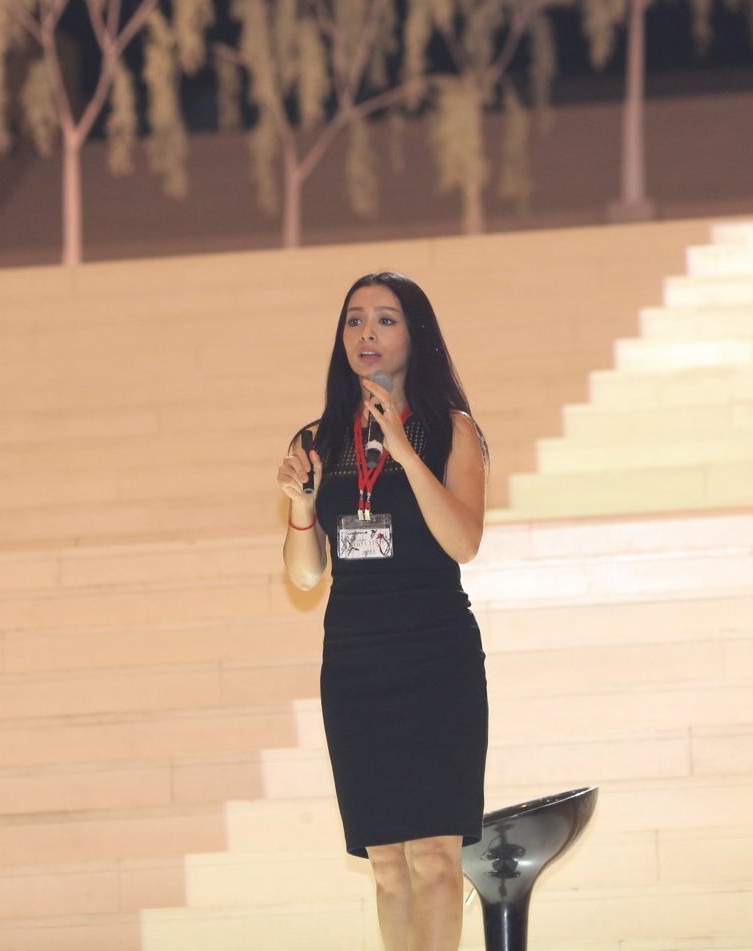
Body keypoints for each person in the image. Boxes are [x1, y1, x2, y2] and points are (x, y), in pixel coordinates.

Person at [276, 271, 489, 951]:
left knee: (435, 858)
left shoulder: (451, 430)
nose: (366, 333)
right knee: (389, 865)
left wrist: (402, 449)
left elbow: (463, 541)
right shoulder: (317, 438)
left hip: (436, 654)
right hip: (355, 660)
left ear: (415, 335)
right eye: (354, 319)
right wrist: (301, 506)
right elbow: (305, 574)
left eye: (385, 319)